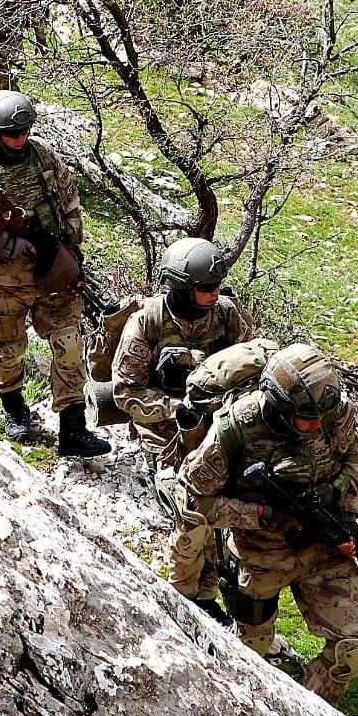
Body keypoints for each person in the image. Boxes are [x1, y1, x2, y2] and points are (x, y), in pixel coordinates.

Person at [178, 343, 358, 705]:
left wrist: (346, 522)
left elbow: (352, 460)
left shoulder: (331, 413)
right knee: (250, 650)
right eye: (305, 419)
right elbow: (194, 500)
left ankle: (310, 710)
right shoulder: (235, 428)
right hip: (261, 551)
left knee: (353, 651)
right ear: (280, 408)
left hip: (323, 549)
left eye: (319, 419)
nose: (315, 427)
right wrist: (263, 516)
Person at [0, 91, 111, 457]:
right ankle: (15, 408)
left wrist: (72, 252)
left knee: (69, 344)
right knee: (10, 350)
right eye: (10, 134)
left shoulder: (44, 157)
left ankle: (73, 428)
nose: (19, 139)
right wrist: (2, 242)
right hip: (3, 281)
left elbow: (69, 203)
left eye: (24, 132)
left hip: (52, 270)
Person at [112, 237, 251, 623]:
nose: (214, 294)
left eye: (216, 287)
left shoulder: (226, 316)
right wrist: (176, 410)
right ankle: (184, 599)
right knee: (191, 512)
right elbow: (126, 392)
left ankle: (210, 592)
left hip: (217, 426)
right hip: (165, 433)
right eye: (205, 288)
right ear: (180, 286)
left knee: (222, 508)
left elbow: (251, 366)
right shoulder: (148, 322)